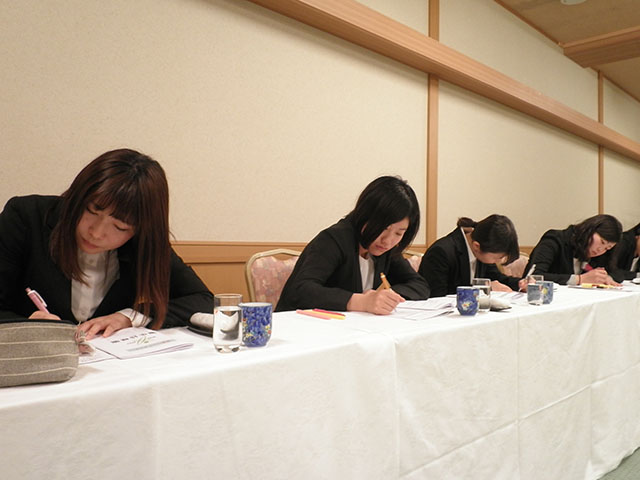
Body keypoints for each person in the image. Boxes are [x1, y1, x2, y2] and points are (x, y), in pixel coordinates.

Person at [0, 148, 213, 338]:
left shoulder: (142, 243)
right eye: (91, 211)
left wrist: (129, 316)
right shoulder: (26, 217)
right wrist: (23, 324)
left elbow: (203, 299)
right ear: (77, 197)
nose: (96, 233)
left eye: (120, 227)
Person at [276, 176, 430, 314]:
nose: (388, 241)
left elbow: (419, 285)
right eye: (384, 228)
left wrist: (386, 297)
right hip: (304, 328)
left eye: (399, 233)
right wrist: (360, 301)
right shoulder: (333, 240)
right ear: (366, 215)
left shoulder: (386, 249)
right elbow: (301, 291)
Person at [418, 215, 526, 297]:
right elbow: (437, 296)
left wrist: (521, 284)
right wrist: (484, 289)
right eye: (498, 258)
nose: (497, 262)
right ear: (476, 246)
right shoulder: (441, 252)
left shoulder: (483, 247)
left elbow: (497, 279)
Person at [524, 214, 622, 286]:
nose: (600, 250)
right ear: (589, 230)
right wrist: (579, 279)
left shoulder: (596, 253)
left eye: (607, 248)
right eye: (602, 242)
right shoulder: (555, 240)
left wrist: (605, 277)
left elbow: (618, 273)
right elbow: (533, 276)